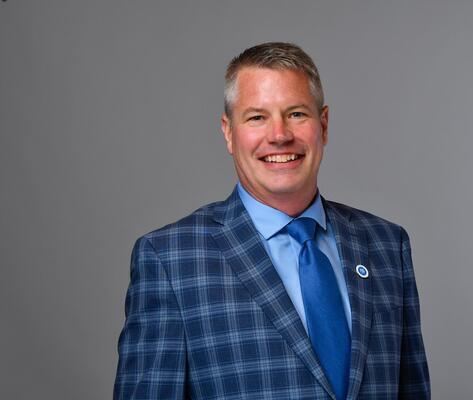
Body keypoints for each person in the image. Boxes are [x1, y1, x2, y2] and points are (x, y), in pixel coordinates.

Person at [114, 42, 430, 400]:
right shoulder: (171, 259)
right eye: (257, 117)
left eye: (296, 114)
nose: (279, 135)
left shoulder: (386, 245)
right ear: (228, 132)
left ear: (323, 125)